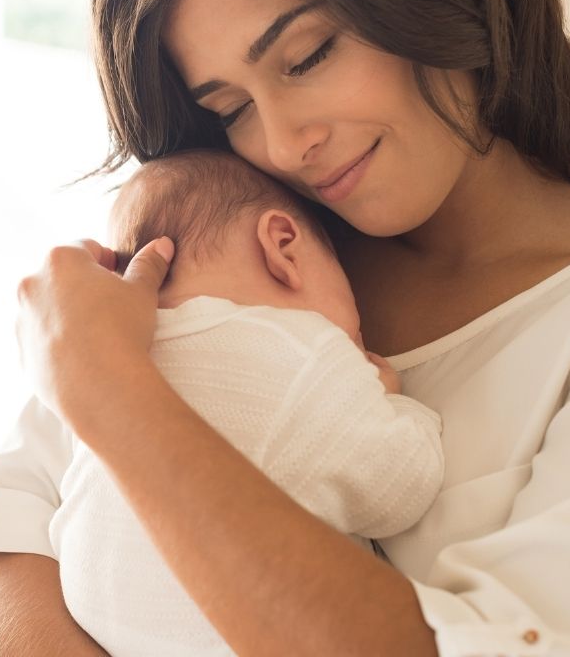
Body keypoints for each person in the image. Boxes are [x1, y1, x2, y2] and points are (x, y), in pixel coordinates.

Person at [0, 0, 570, 655]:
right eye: (231, 109)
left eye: (307, 56)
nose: (286, 144)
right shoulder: (248, 256)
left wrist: (110, 392)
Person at [49, 149, 444, 656]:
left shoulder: (109, 360)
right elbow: (400, 489)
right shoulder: (300, 351)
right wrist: (394, 403)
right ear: (284, 246)